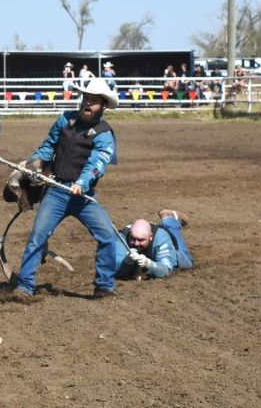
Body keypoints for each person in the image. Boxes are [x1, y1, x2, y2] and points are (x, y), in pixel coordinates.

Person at [13, 77, 121, 299]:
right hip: (56, 191)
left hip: (83, 196)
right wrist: (34, 163)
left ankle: (104, 286)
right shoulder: (65, 119)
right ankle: (24, 287)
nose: (87, 103)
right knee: (37, 236)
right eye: (86, 98)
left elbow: (97, 164)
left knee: (108, 236)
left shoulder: (104, 134)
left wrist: (81, 183)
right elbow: (48, 146)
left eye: (94, 100)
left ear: (103, 106)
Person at [116, 210, 195, 279]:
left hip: (161, 239)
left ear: (150, 236)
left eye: (141, 240)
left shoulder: (161, 238)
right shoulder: (122, 238)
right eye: (133, 239)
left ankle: (170, 220)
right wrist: (126, 262)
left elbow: (167, 270)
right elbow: (113, 270)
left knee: (186, 264)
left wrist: (149, 264)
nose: (136, 243)